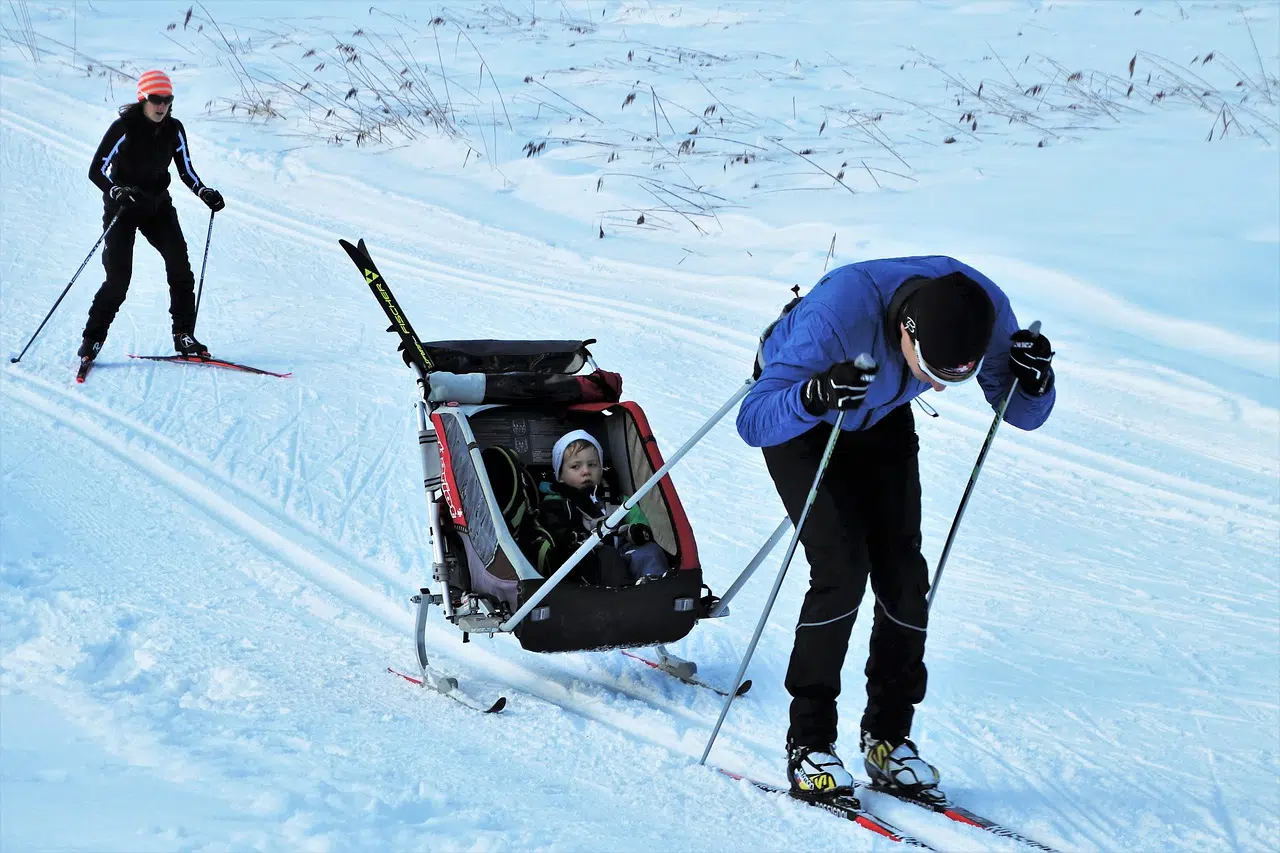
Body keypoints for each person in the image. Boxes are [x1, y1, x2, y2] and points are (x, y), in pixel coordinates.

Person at [736, 256, 1056, 798]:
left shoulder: (984, 307)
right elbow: (754, 419)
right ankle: (809, 743)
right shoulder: (839, 314)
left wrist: (1036, 380)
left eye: (953, 379)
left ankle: (887, 740)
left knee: (905, 577)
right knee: (841, 568)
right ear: (906, 332)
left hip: (879, 414)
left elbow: (1021, 414)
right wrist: (813, 396)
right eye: (929, 373)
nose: (938, 389)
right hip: (806, 413)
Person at [78, 69, 226, 368]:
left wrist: (204, 192)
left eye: (167, 100)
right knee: (119, 279)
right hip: (123, 209)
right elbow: (97, 170)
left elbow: (186, 170)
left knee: (180, 267)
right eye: (155, 99)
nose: (161, 106)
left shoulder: (174, 128)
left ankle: (184, 335)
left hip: (158, 208)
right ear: (143, 99)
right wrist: (116, 190)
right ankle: (92, 340)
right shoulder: (124, 127)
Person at [538, 429, 670, 585]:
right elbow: (557, 533)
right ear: (560, 475)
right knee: (608, 556)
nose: (586, 471)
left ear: (601, 469)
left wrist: (636, 532)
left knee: (651, 551)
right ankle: (620, 597)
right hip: (587, 560)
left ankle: (655, 588)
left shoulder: (618, 498)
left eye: (592, 465)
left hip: (625, 551)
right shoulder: (556, 502)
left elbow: (639, 521)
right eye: (575, 467)